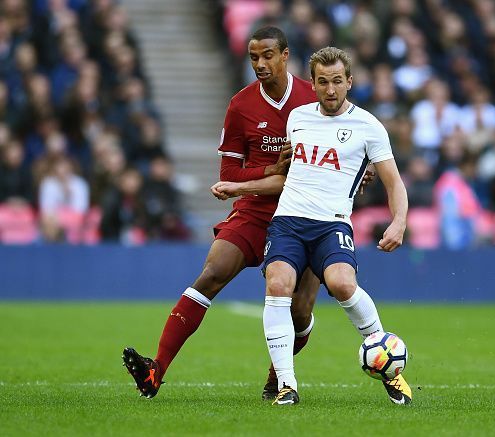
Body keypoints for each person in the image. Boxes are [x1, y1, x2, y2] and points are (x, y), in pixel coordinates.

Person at [121, 26, 322, 400]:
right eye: (253, 58)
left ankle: (277, 377)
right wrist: (269, 171)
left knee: (300, 310)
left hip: (306, 213)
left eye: (266, 56)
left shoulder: (314, 99)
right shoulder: (241, 105)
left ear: (285, 55)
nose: (259, 64)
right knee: (211, 274)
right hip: (254, 209)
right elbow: (228, 175)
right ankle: (155, 372)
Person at [240, 46, 411, 406]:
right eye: (322, 82)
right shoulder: (298, 118)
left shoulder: (368, 126)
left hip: (331, 225)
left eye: (337, 81)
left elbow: (394, 183)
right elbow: (293, 173)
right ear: (313, 84)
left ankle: (390, 370)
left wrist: (398, 222)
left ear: (349, 82)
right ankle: (287, 385)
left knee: (342, 283)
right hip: (288, 221)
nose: (330, 89)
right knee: (278, 285)